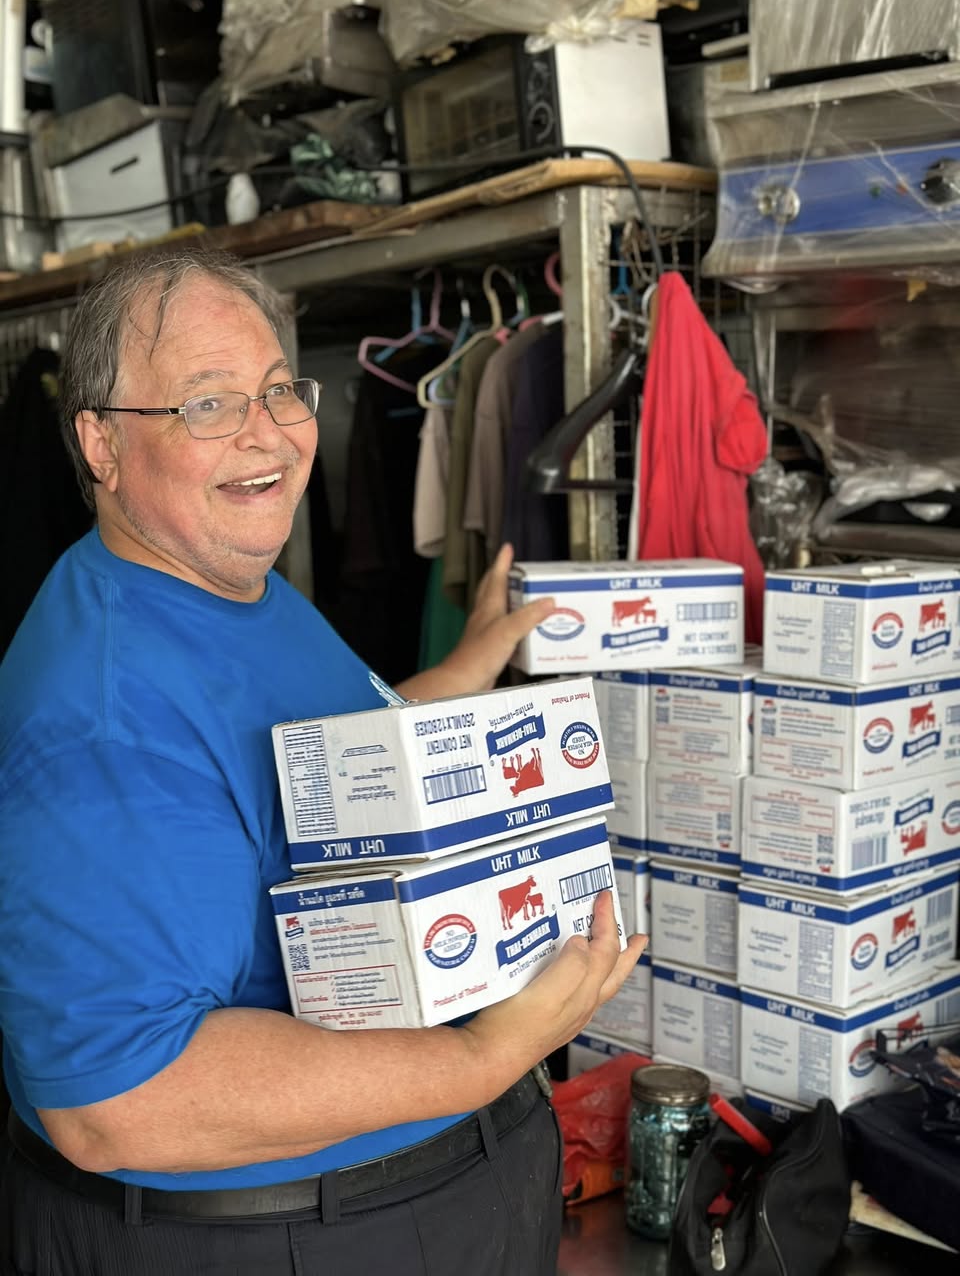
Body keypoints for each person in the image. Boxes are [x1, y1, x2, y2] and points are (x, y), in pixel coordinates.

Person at [0, 250, 645, 1276]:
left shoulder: (232, 587)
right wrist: (485, 1053)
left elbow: (322, 764)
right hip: (283, 1237)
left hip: (411, 1200)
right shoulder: (103, 705)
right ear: (101, 442)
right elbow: (116, 1101)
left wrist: (462, 669)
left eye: (275, 390)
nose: (267, 433)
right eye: (206, 403)